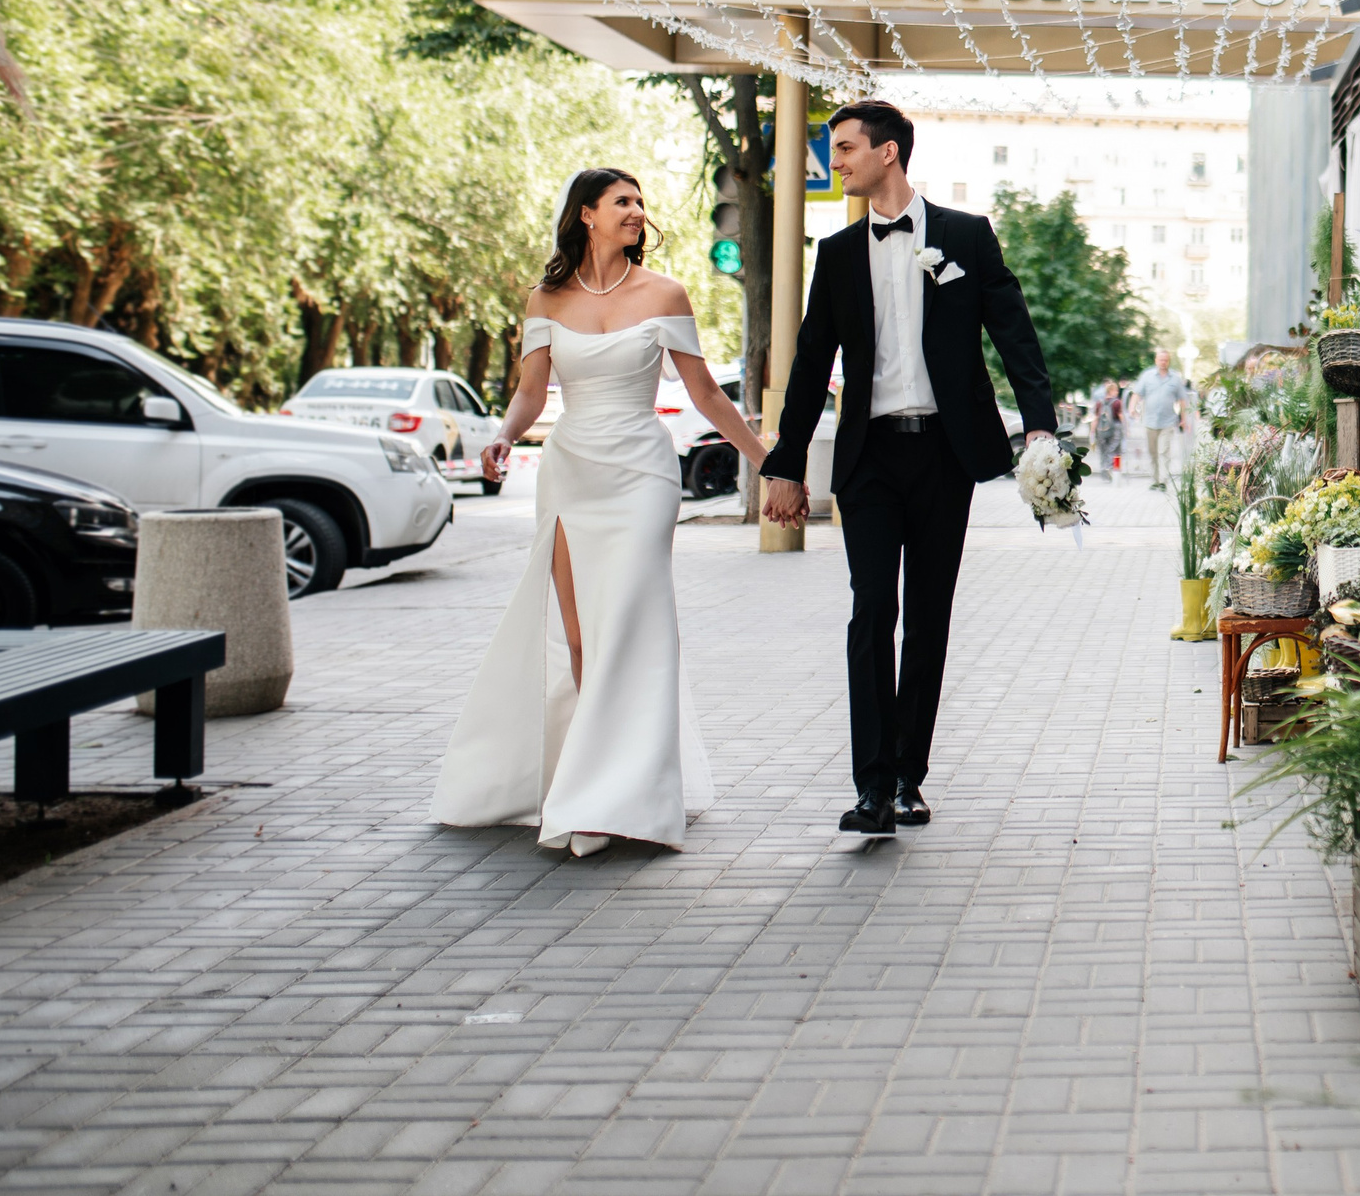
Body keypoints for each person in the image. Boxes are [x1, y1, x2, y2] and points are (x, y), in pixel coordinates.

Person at [432, 168, 768, 856]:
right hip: (571, 473)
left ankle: (625, 793)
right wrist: (501, 434)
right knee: (582, 637)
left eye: (641, 202)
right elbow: (532, 392)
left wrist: (768, 460)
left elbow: (704, 392)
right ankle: (590, 778)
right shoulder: (546, 297)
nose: (638, 212)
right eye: (623, 201)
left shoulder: (665, 292)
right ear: (586, 214)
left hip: (642, 475)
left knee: (635, 628)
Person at [762, 102, 1057, 837]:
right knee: (872, 611)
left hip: (941, 454)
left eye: (848, 148)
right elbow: (809, 366)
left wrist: (1041, 425)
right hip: (868, 456)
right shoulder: (834, 256)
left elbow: (1014, 333)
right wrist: (786, 463)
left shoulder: (965, 235)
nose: (839, 162)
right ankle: (869, 787)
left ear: (889, 153)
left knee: (928, 617)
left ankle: (907, 779)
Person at [1131, 348, 1190, 491]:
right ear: (1156, 360)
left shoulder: (1175, 378)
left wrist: (1184, 418)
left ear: (1168, 361)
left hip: (1168, 422)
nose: (1163, 362)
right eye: (1160, 359)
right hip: (1149, 421)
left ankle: (1163, 481)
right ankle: (1155, 480)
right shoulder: (1147, 376)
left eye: (1166, 360)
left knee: (1164, 451)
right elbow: (1137, 394)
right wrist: (1132, 408)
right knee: (1152, 452)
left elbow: (1182, 400)